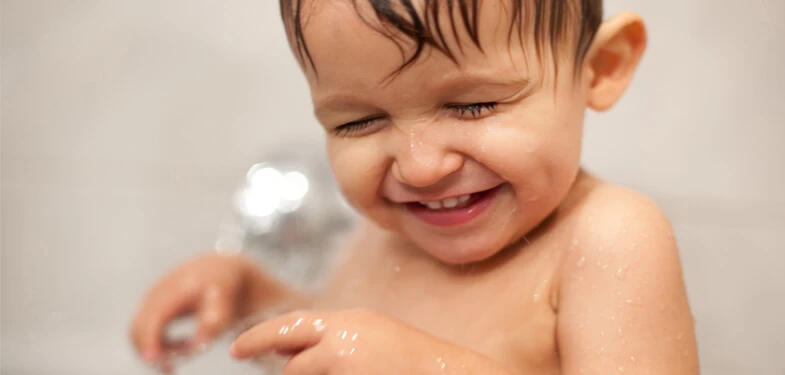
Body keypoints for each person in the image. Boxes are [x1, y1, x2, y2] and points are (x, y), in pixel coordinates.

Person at [131, 1, 700, 373]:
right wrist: (250, 298)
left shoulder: (606, 239)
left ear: (599, 68)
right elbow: (345, 356)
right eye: (358, 121)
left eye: (472, 104)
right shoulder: (389, 235)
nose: (420, 169)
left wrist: (424, 367)